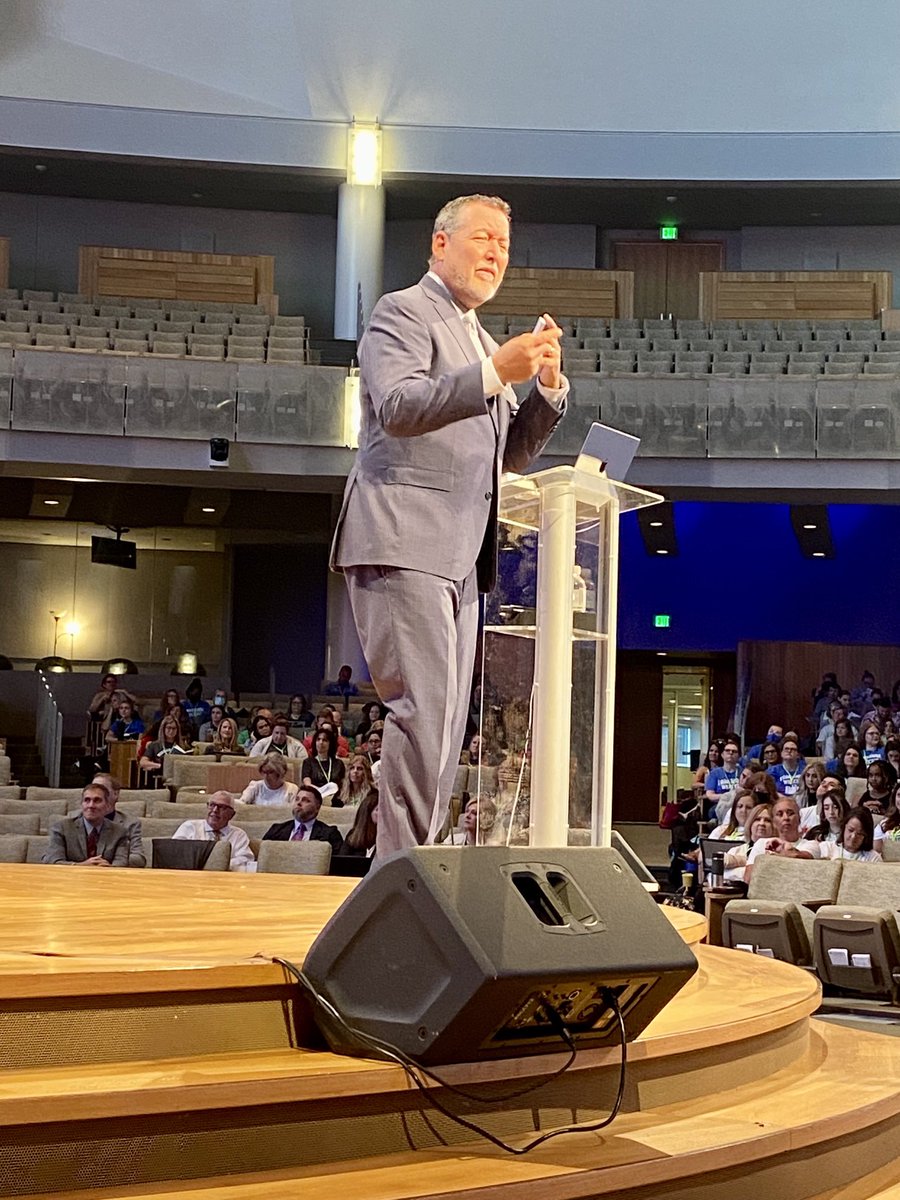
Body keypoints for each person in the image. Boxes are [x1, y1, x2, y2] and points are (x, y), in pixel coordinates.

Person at [330, 193, 567, 857]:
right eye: (483, 238)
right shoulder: (402, 312)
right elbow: (401, 405)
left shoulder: (483, 342)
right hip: (404, 538)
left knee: (439, 728)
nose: (496, 253)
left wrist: (546, 390)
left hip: (462, 558)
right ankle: (399, 885)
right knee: (424, 718)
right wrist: (495, 373)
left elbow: (509, 456)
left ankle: (408, 873)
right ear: (440, 245)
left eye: (505, 246)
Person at [42, 783, 130, 866]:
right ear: (82, 804)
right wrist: (81, 866)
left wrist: (107, 867)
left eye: (97, 800)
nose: (91, 805)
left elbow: (121, 864)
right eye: (87, 800)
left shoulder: (119, 832)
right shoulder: (62, 828)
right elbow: (53, 861)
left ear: (107, 806)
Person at [172, 792, 255, 872]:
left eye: (222, 807)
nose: (215, 810)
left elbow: (245, 859)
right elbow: (175, 853)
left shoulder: (238, 835)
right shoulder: (190, 827)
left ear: (231, 814)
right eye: (212, 805)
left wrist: (219, 865)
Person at [261, 785, 343, 853]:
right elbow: (262, 856)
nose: (299, 803)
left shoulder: (330, 834)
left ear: (317, 807)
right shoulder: (276, 830)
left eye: (305, 800)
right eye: (297, 799)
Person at [92, 772, 146, 868]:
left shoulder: (130, 823)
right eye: (93, 789)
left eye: (102, 789)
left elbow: (139, 859)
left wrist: (112, 861)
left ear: (116, 794)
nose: (97, 794)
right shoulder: (73, 819)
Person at [139, 714, 191, 778]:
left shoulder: (183, 747)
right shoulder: (154, 745)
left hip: (177, 776)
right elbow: (143, 762)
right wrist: (160, 766)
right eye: (169, 728)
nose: (171, 731)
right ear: (163, 729)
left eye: (174, 728)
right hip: (159, 776)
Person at [704, 735, 742, 816]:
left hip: (739, 804)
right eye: (727, 750)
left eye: (734, 751)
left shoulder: (743, 772)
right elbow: (710, 795)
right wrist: (727, 796)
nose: (731, 753)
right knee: (712, 811)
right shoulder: (714, 773)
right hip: (720, 803)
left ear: (738, 756)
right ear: (722, 754)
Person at [338, 788, 379, 858]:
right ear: (367, 814)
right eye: (378, 809)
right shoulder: (353, 835)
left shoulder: (388, 837)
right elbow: (341, 863)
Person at [303, 726, 346, 793]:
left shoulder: (338, 763)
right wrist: (322, 792)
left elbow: (344, 784)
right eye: (318, 739)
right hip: (316, 794)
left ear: (330, 744)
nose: (321, 742)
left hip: (336, 796)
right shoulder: (308, 762)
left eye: (325, 740)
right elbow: (307, 783)